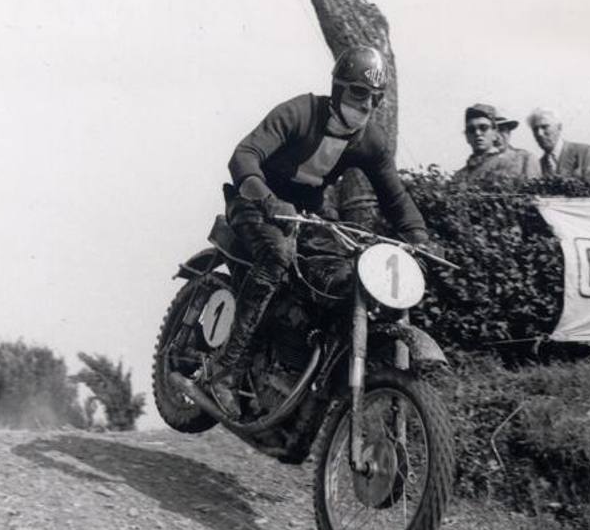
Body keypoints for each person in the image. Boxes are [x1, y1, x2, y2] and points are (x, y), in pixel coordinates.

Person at [206, 45, 429, 418]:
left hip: (307, 215)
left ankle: (295, 368)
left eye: (375, 97)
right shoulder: (301, 112)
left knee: (342, 273)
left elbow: (395, 196)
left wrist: (419, 237)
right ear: (338, 88)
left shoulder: (369, 141)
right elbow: (244, 155)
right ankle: (226, 371)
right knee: (278, 256)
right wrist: (267, 200)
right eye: (358, 92)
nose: (366, 105)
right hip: (255, 202)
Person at [451, 103, 535, 188]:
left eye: (483, 128)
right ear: (467, 136)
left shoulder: (522, 160)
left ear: (494, 132)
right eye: (471, 130)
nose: (477, 133)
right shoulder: (459, 177)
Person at [527, 108, 590, 180]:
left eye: (545, 127)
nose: (539, 133)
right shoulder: (539, 165)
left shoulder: (586, 153)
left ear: (559, 127)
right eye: (535, 129)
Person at [495, 113, 541, 179]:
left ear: (509, 132)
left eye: (502, 130)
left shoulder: (526, 158)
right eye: (493, 131)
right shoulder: (478, 163)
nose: (497, 137)